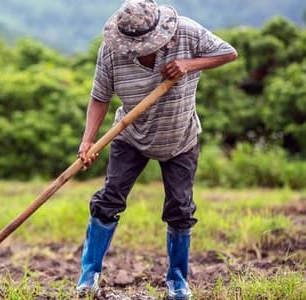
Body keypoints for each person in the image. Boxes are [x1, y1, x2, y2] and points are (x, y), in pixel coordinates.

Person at [76, 0, 237, 299]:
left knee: (180, 208)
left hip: (180, 137)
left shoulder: (187, 32)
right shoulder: (112, 51)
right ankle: (89, 276)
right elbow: (100, 96)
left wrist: (189, 64)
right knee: (108, 200)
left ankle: (177, 281)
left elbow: (229, 53)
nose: (137, 50)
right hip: (130, 134)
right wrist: (88, 141)